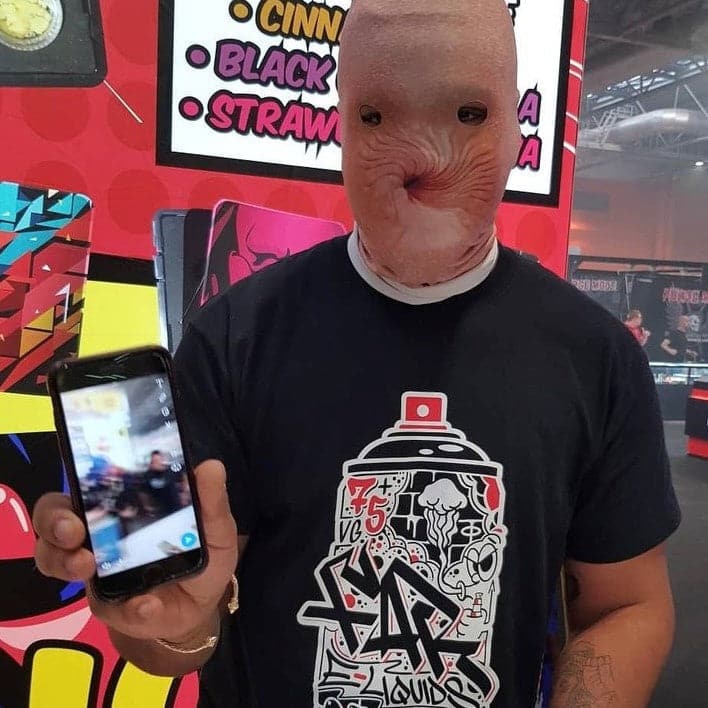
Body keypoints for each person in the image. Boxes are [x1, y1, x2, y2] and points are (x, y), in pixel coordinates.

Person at [32, 1, 680, 706]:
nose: (423, 157)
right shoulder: (234, 337)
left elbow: (626, 604)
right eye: (376, 117)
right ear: (341, 128)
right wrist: (170, 623)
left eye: (467, 114)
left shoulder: (594, 355)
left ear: (516, 130)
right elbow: (175, 630)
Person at [144, 451, 182, 517]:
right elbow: (159, 484)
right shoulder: (148, 475)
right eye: (156, 461)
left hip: (177, 507)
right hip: (162, 512)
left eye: (161, 459)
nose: (160, 462)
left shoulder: (170, 470)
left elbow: (181, 477)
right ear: (151, 464)